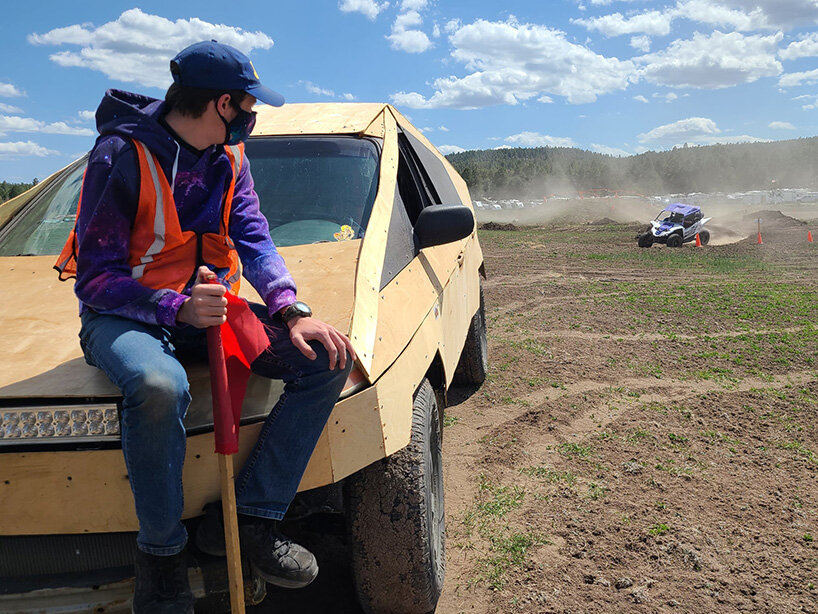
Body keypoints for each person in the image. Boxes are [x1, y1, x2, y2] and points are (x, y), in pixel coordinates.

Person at [55, 41, 356, 613]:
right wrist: (175, 309)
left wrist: (291, 309)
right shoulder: (119, 156)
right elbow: (94, 279)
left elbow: (254, 236)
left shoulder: (230, 158)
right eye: (249, 104)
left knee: (325, 359)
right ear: (222, 103)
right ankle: (162, 562)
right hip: (125, 314)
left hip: (209, 308)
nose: (252, 116)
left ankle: (249, 520)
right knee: (159, 385)